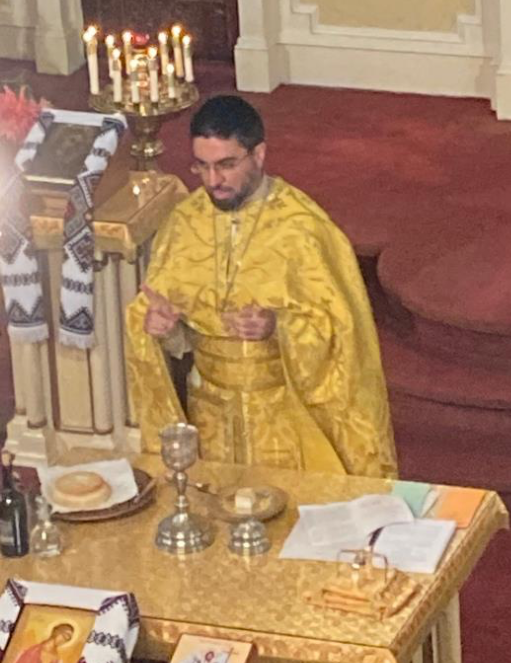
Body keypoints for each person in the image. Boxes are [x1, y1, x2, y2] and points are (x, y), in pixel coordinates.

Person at [126, 95, 397, 478]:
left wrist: (278, 326)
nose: (212, 181)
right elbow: (182, 340)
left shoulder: (302, 227)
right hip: (209, 421)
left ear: (259, 154)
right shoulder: (184, 222)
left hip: (282, 420)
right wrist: (166, 331)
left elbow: (343, 335)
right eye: (201, 166)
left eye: (226, 165)